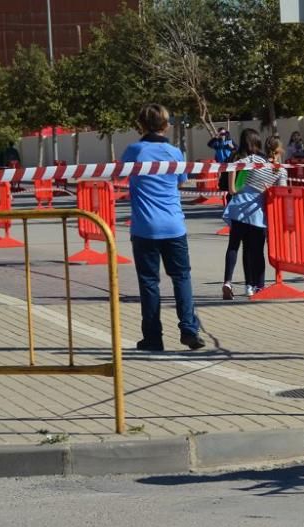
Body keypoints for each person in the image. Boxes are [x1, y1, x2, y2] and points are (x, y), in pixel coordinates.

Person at [123, 103, 205, 352]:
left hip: (145, 227)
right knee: (181, 277)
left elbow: (123, 176)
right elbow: (181, 182)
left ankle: (153, 337)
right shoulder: (175, 152)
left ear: (141, 124)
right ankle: (189, 328)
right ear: (166, 125)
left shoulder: (134, 151)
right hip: (173, 225)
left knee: (149, 283)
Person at [221, 130, 288, 299]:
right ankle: (258, 287)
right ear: (280, 151)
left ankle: (228, 282)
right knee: (256, 251)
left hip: (239, 205)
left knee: (234, 246)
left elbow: (233, 166)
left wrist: (232, 189)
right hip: (257, 211)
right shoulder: (280, 171)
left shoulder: (255, 159)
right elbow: (280, 194)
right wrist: (269, 193)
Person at [209, 128, 236, 192]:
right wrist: (215, 137)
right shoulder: (217, 142)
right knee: (222, 179)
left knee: (229, 179)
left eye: (224, 133)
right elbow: (210, 144)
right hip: (220, 164)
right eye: (221, 134)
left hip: (229, 163)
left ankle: (230, 190)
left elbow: (236, 149)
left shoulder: (230, 141)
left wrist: (232, 147)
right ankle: (223, 191)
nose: (223, 135)